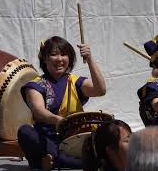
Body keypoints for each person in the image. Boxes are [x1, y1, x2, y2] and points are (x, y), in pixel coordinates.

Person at [17, 36, 106, 170]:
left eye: (64, 54)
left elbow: (100, 90)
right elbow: (39, 111)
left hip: (75, 139)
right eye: (54, 54)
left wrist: (89, 59)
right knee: (25, 132)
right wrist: (61, 121)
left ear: (69, 58)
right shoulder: (35, 85)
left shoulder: (75, 81)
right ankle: (75, 162)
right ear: (45, 59)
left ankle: (51, 161)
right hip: (48, 140)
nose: (60, 59)